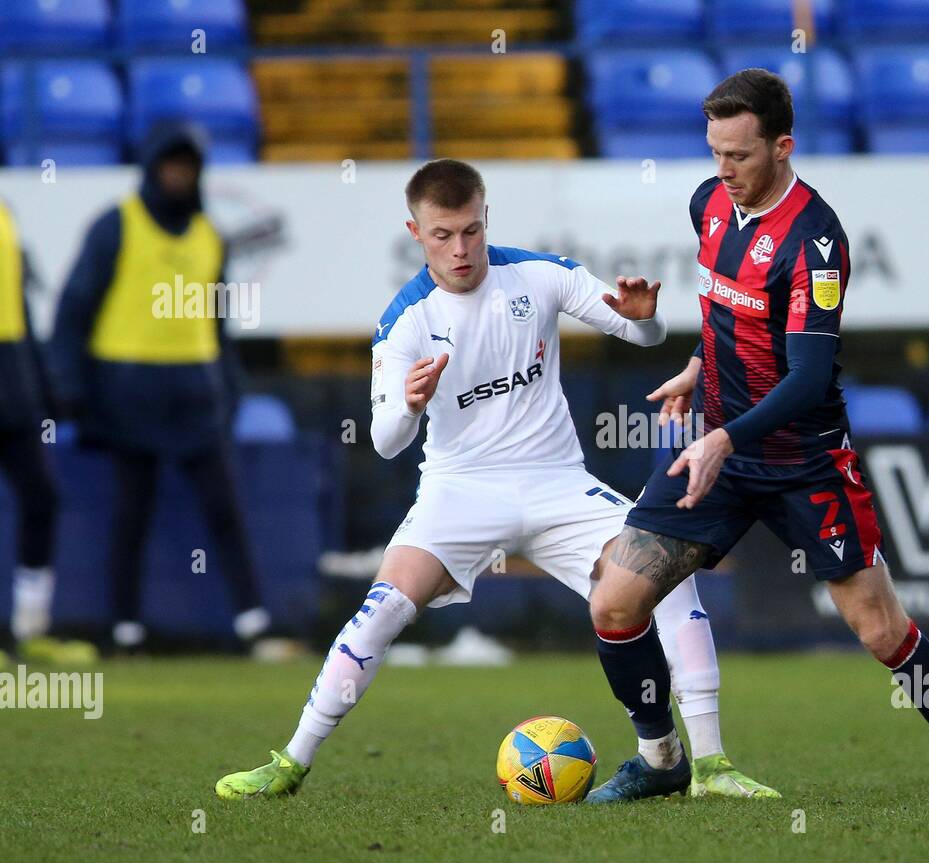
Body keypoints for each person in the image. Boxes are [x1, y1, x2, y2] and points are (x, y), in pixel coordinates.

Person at [214, 159, 775, 800]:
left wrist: (644, 318)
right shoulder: (405, 321)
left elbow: (641, 333)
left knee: (665, 572)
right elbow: (387, 441)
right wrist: (409, 405)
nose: (460, 249)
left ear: (486, 219)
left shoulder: (539, 275)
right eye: (443, 235)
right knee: (383, 609)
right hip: (460, 489)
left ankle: (704, 765)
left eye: (471, 231)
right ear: (416, 233)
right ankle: (291, 762)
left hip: (558, 482)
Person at [583, 69, 929, 804]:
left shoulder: (816, 242)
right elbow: (729, 316)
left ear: (782, 146)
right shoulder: (708, 203)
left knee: (881, 630)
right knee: (614, 602)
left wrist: (724, 438)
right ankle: (661, 759)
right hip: (717, 452)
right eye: (715, 152)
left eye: (740, 155)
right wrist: (698, 366)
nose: (724, 170)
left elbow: (809, 376)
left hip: (801, 461)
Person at [48, 121, 270, 651]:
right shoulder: (116, 226)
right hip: (128, 392)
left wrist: (229, 388)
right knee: (132, 512)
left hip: (195, 392)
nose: (178, 175)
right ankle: (124, 627)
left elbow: (218, 324)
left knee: (224, 508)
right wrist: (68, 385)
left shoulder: (208, 235)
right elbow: (74, 308)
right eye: (171, 164)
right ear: (151, 167)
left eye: (187, 166)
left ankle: (255, 622)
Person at [0, 196, 65, 661]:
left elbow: (17, 303)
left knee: (42, 497)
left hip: (13, 384)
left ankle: (29, 625)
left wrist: (42, 384)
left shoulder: (6, 214)